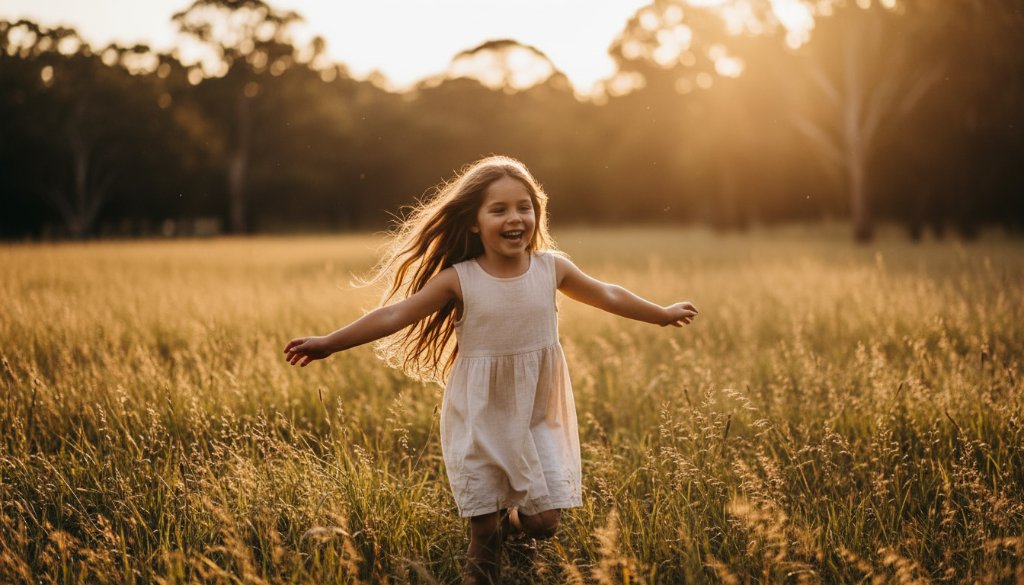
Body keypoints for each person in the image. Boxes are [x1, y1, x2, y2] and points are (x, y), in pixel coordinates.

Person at [283, 155, 698, 584]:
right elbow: (394, 315)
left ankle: (512, 528)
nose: (514, 218)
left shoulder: (551, 268)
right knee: (483, 529)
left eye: (524, 207)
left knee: (544, 524)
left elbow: (607, 293)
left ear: (537, 213)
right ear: (473, 222)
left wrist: (661, 313)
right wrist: (329, 343)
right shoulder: (459, 279)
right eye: (498, 210)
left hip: (537, 413)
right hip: (480, 414)